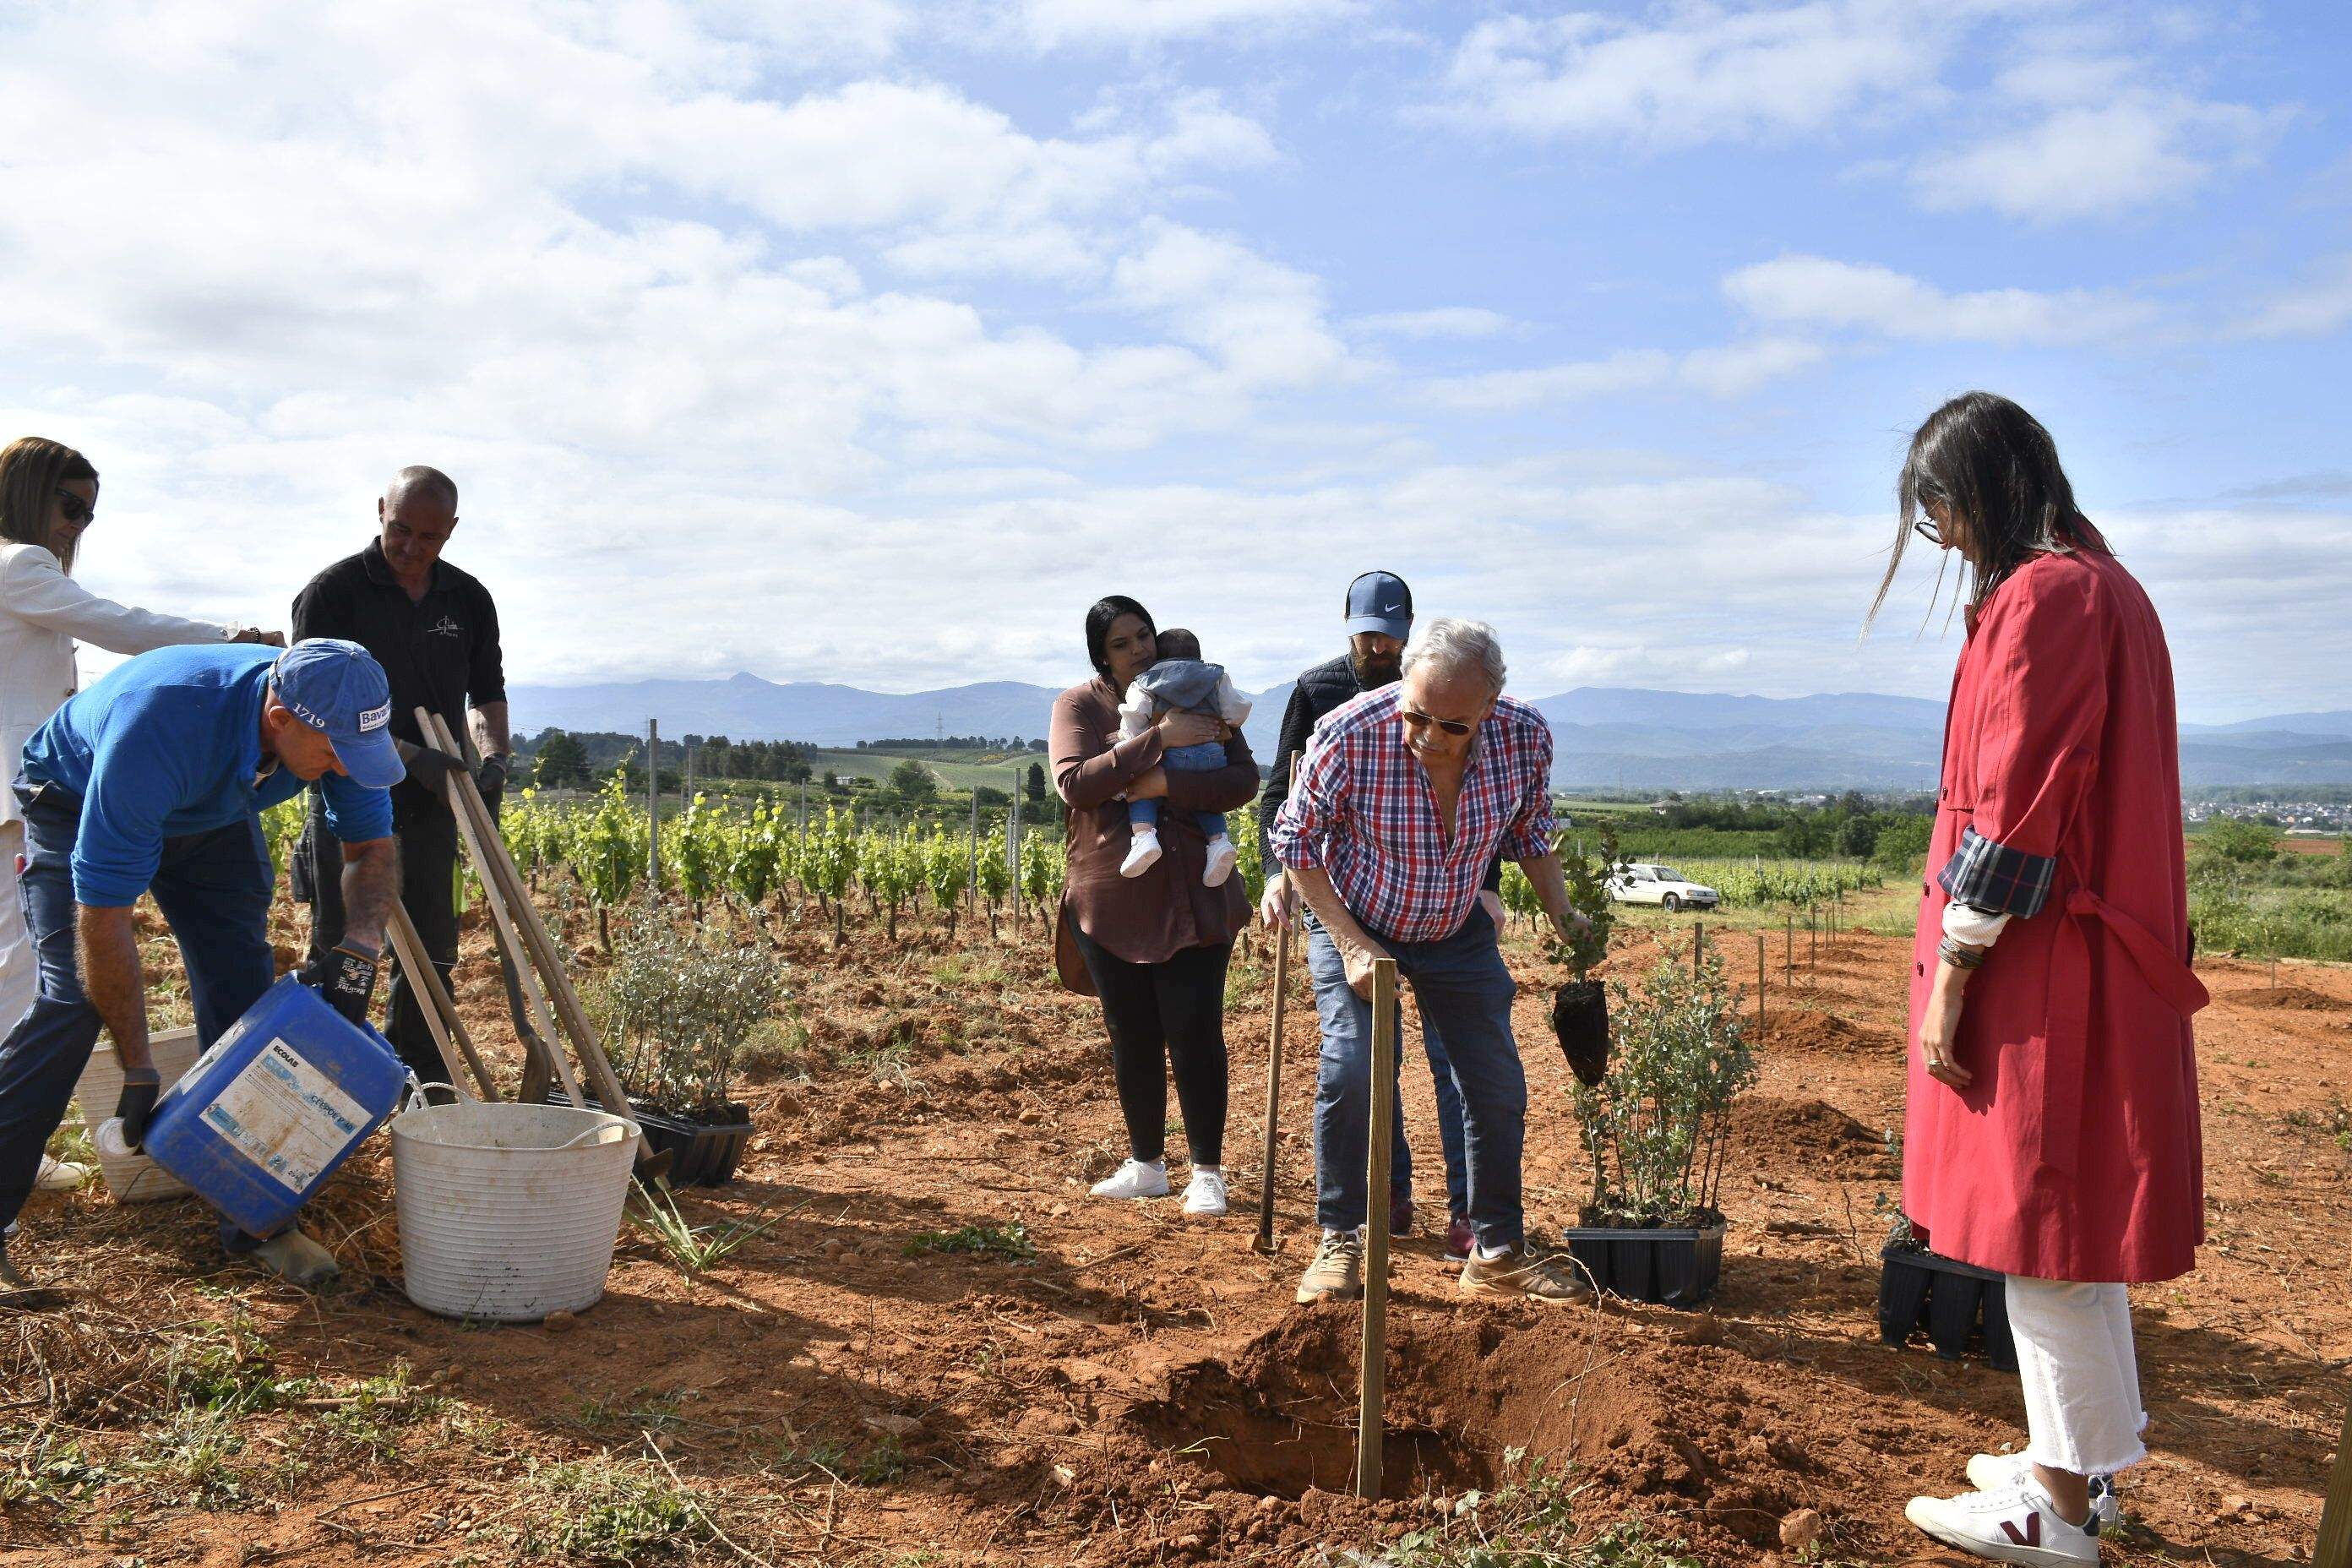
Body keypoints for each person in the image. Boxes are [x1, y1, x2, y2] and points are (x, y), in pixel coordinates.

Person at [1875, 395, 2206, 1566]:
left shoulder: (2047, 598)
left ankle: (2054, 1516)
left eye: (1942, 505)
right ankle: (2085, 1472)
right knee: (2069, 1234)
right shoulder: (2106, 586)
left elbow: (2016, 812)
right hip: (2082, 960)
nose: (1942, 532)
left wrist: (1955, 974)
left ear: (1989, 488)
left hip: (2040, 969)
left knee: (2043, 1230)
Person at [0, 640, 404, 1290]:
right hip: (79, 793)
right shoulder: (156, 731)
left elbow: (370, 848)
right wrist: (138, 1067)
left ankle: (256, 1218)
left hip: (215, 805)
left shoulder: (333, 733)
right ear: (280, 719)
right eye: (332, 753)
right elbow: (105, 919)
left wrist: (360, 946)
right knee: (75, 998)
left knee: (246, 987)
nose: (344, 768)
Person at [1271, 617, 1589, 1305]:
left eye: (1453, 727)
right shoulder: (1349, 734)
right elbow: (1295, 843)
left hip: (1454, 925)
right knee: (1352, 1067)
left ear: (1489, 709)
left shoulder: (1524, 737)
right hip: (1356, 920)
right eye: (1417, 716)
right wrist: (1354, 943)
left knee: (1495, 1081)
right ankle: (1340, 1237)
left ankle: (1497, 1250)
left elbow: (1531, 832)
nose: (1428, 738)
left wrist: (1564, 914)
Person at [0, 436, 282, 1200]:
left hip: (37, 787)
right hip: (25, 796)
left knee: (31, 982)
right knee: (38, 985)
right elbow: (121, 626)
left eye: (88, 515)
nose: (75, 527)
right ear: (24, 492)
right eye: (68, 506)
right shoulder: (17, 565)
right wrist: (233, 642)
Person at [1257, 571, 1492, 1261]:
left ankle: (1468, 1213)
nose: (1378, 649)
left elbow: (1473, 802)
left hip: (1441, 903)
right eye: (1367, 636)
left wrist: (1490, 884)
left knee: (1455, 1063)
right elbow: (1282, 791)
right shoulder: (1317, 691)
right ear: (1348, 625)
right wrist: (1278, 874)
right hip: (1347, 898)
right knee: (1365, 1057)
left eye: (1390, 639)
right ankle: (1384, 1193)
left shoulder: (1441, 691)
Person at [292, 466, 509, 1085]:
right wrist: (413, 757)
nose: (412, 548)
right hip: (350, 791)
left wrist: (492, 758)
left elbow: (487, 692)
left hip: (435, 803)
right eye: (400, 530)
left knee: (434, 952)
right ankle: (325, 1082)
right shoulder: (332, 594)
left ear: (452, 531)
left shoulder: (468, 599)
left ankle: (415, 1086)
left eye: (430, 537)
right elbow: (315, 712)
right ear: (380, 510)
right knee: (345, 947)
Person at [1049, 596, 1259, 1217]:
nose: (1139, 649)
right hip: (1112, 892)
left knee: (1195, 1030)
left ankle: (1206, 1173)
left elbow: (1243, 779)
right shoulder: (1079, 706)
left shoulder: (1193, 682)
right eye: (1122, 643)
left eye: (1143, 635)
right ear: (1100, 656)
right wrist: (1158, 742)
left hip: (1196, 885)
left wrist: (1170, 782)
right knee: (1131, 1033)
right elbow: (1077, 784)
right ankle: (1145, 1164)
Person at [1116, 627, 1250, 885]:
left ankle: (1143, 837)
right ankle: (1219, 843)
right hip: (1213, 755)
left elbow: (1135, 716)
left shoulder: (1144, 680)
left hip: (1172, 756)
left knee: (1144, 791)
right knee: (1204, 797)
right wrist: (1225, 722)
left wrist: (1133, 742)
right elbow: (1237, 711)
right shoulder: (1216, 676)